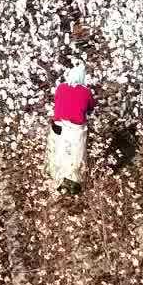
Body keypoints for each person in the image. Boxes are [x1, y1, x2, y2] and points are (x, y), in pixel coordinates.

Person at [47, 64, 93, 196]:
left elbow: (57, 101)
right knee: (75, 154)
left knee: (60, 151)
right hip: (75, 128)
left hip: (58, 125)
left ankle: (57, 179)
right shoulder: (85, 91)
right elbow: (90, 107)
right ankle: (73, 183)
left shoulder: (61, 87)